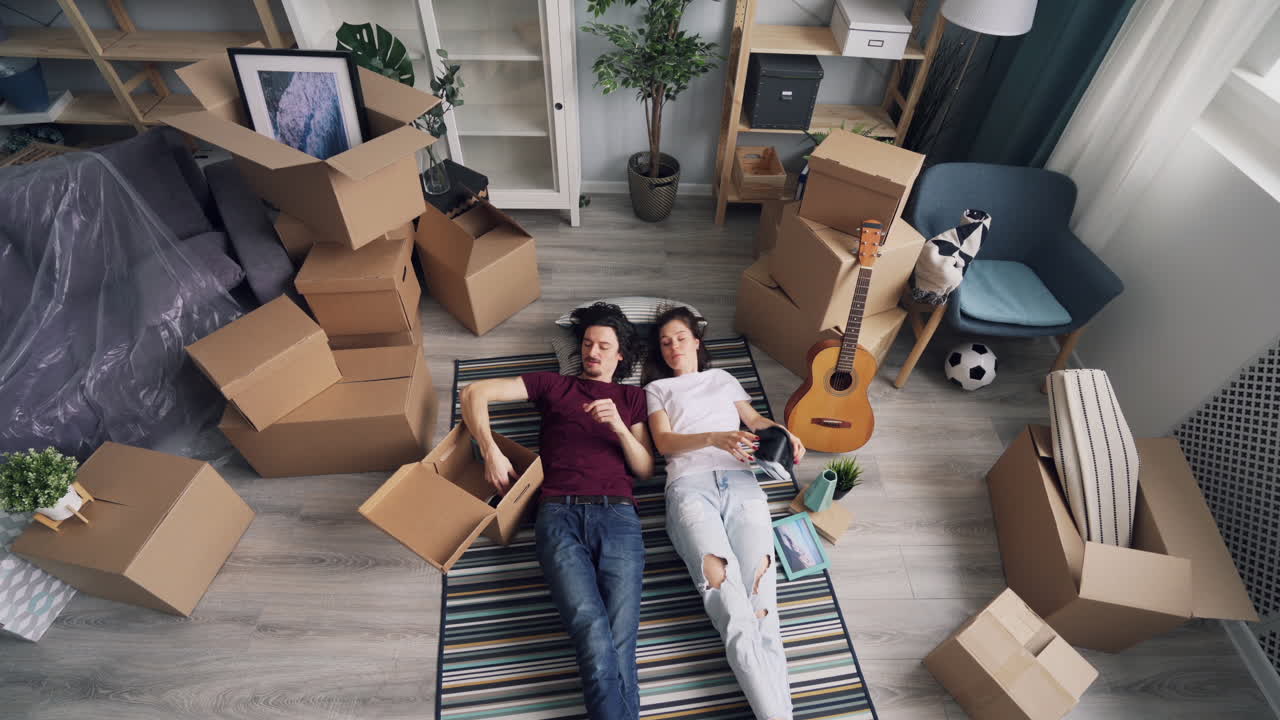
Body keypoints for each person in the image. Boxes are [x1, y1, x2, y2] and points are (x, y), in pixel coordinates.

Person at [459, 302, 653, 720]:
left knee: (621, 642)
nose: (592, 352)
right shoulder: (554, 385)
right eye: (587, 344)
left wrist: (619, 427)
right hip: (558, 516)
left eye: (603, 346)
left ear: (621, 355)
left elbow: (645, 468)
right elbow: (474, 392)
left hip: (619, 517)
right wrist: (490, 450)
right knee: (592, 635)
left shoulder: (633, 397)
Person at [642, 305, 804, 720]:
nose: (674, 346)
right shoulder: (657, 389)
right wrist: (715, 437)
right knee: (732, 610)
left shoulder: (723, 379)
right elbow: (663, 443)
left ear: (697, 342)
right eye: (665, 342)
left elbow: (754, 419)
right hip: (690, 490)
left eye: (680, 338)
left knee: (763, 610)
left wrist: (784, 433)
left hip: (742, 485)